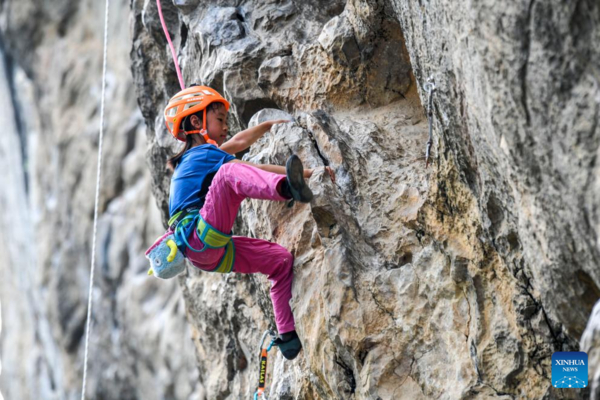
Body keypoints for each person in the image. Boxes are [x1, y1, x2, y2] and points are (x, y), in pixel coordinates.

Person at [162, 85, 335, 360]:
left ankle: (287, 336)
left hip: (207, 254)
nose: (226, 127)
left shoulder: (196, 159)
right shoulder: (204, 155)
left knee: (279, 261)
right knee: (232, 173)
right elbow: (251, 167)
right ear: (196, 122)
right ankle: (288, 189)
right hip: (200, 235)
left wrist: (266, 126)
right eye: (220, 120)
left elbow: (239, 143)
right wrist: (304, 175)